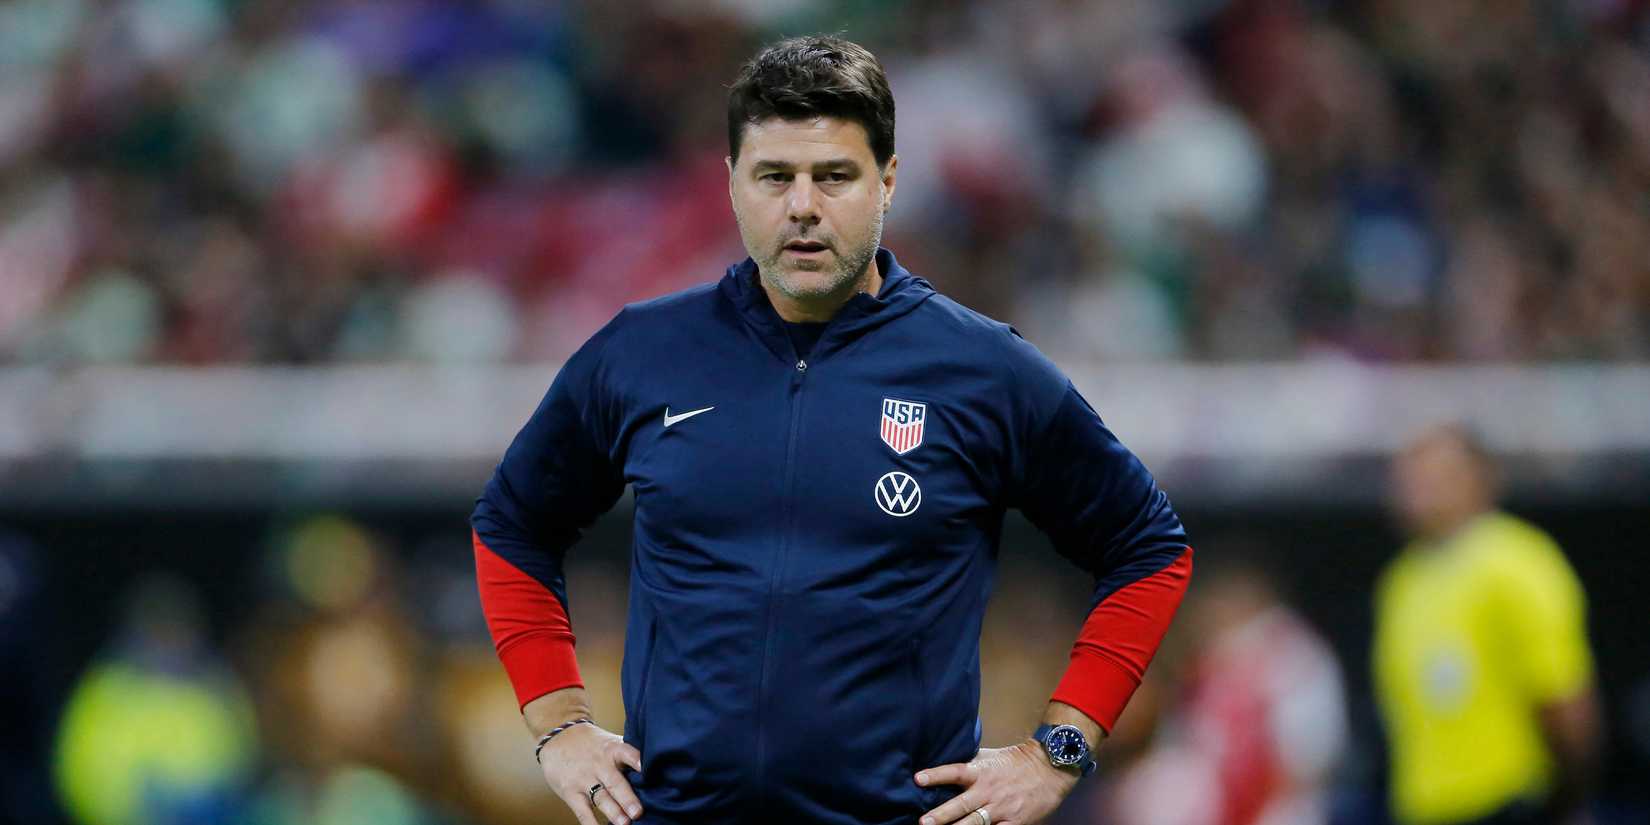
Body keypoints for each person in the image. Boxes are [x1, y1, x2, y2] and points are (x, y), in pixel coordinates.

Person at [471, 35, 1192, 825]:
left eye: (835, 176)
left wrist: (1058, 751)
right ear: (732, 183)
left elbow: (1147, 547)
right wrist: (558, 722)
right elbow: (512, 523)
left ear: (887, 181)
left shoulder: (984, 369)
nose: (803, 205)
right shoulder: (642, 352)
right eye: (774, 176)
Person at [1373, 424, 1601, 825]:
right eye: (1408, 479)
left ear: (1481, 480)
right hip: (1426, 806)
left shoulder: (1518, 563)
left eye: (1436, 477)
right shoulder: (1402, 581)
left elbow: (1563, 698)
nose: (1417, 492)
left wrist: (1568, 802)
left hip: (1507, 800)